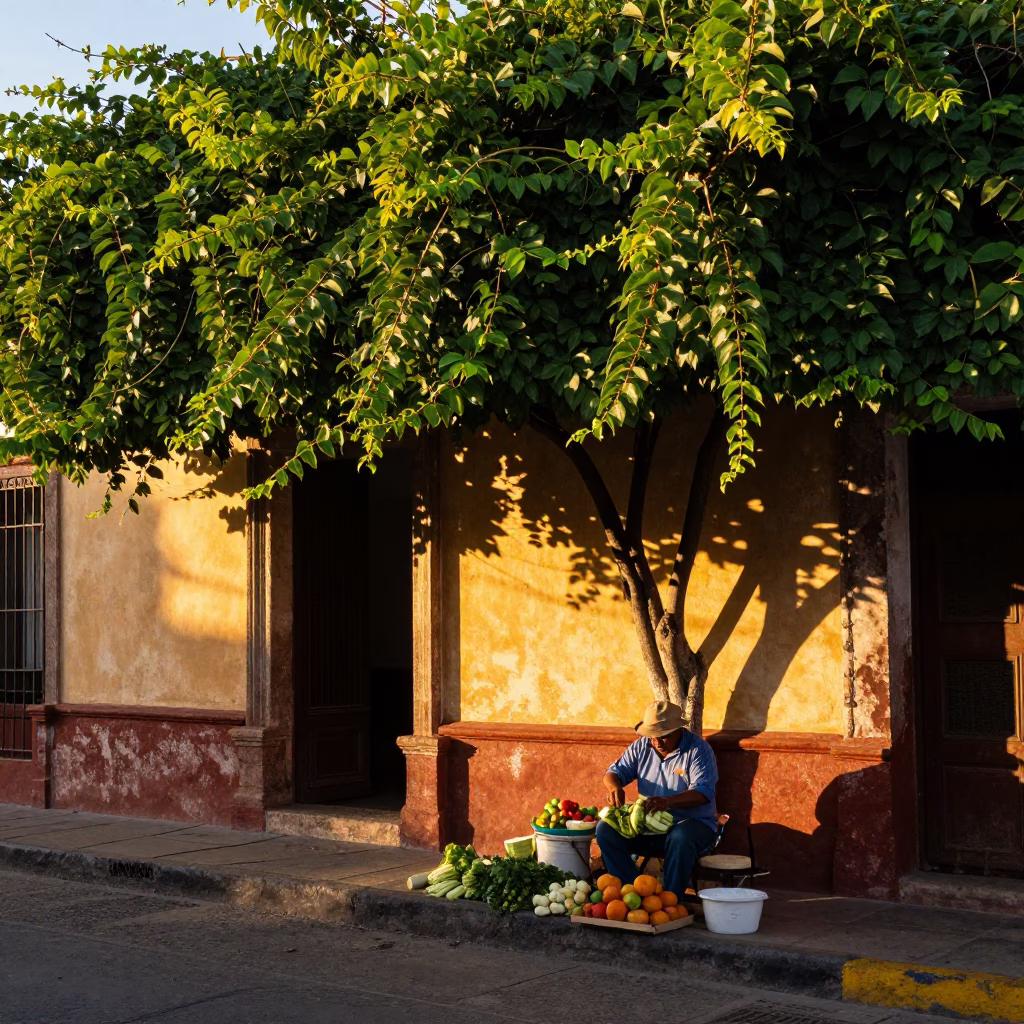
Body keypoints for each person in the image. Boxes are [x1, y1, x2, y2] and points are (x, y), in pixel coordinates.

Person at [596, 700, 719, 899]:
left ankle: (669, 901)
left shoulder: (698, 750)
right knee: (605, 829)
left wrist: (667, 802)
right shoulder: (641, 746)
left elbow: (703, 792)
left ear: (679, 730)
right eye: (652, 737)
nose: (657, 742)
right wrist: (615, 786)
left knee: (681, 836)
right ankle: (634, 894)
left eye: (664, 736)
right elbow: (613, 772)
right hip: (650, 828)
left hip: (693, 827)